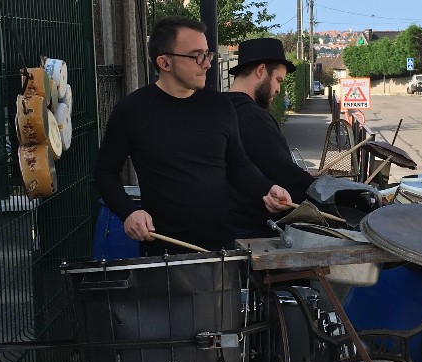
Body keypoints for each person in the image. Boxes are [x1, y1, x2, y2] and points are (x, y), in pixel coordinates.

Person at [94, 17, 292, 255]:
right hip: (163, 252)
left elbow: (239, 165)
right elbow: (104, 172)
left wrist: (267, 188)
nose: (206, 64)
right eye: (197, 55)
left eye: (207, 54)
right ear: (164, 62)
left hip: (221, 249)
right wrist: (128, 212)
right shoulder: (131, 111)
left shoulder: (220, 106)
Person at [224, 38, 318, 238]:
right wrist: (323, 191)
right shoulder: (255, 118)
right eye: (278, 80)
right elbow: (282, 173)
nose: (278, 89)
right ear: (260, 71)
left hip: (223, 227)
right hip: (255, 231)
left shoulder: (217, 109)